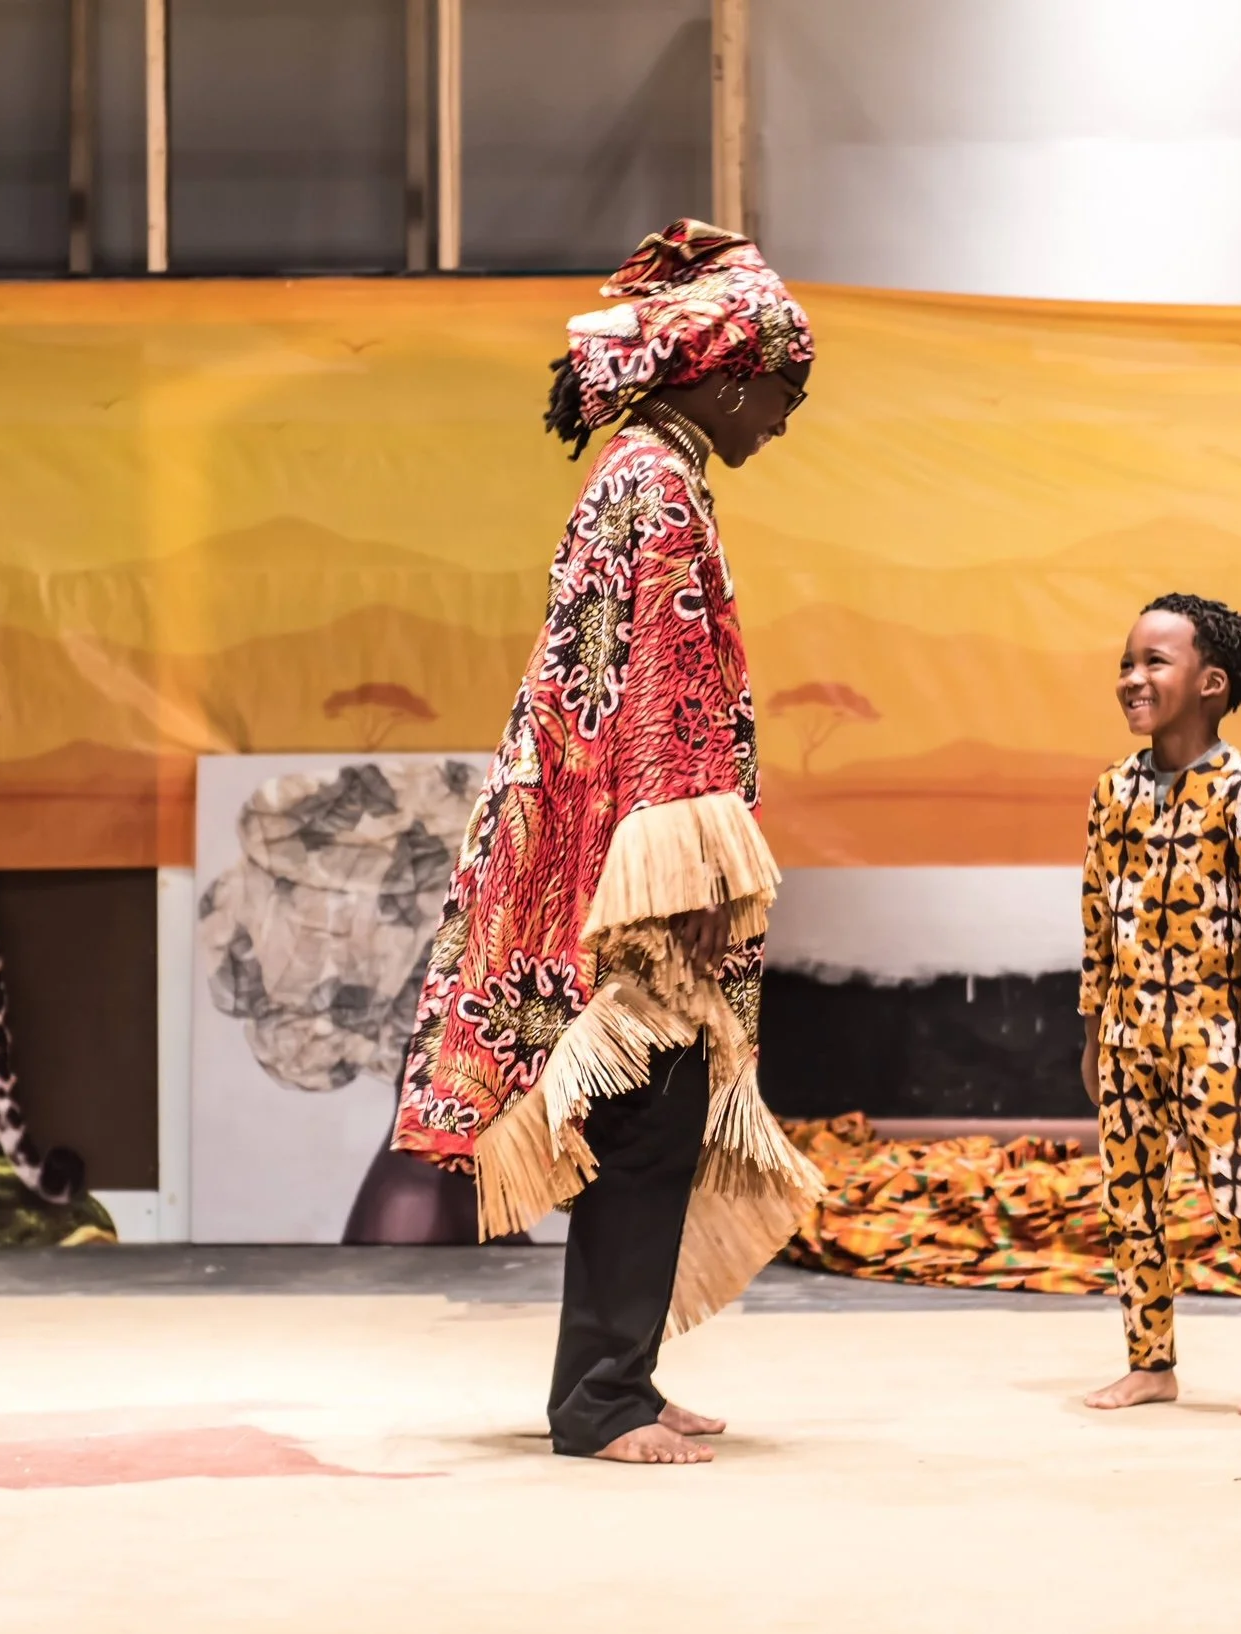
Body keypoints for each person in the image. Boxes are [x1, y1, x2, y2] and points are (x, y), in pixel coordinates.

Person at [390, 221, 823, 1466]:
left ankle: (619, 1371)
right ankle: (599, 1399)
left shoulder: (640, 471)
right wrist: (686, 885)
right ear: (728, 380)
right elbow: (664, 692)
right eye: (783, 396)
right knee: (648, 1120)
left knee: (654, 1117)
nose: (782, 422)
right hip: (635, 853)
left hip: (611, 835)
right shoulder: (659, 487)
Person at [1076, 592, 1241, 1418]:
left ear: (1211, 683)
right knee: (1129, 1204)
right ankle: (1150, 1363)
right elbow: (1096, 918)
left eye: (1155, 661)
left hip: (1210, 1040)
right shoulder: (1112, 791)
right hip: (1126, 1036)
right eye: (1126, 662)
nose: (1132, 677)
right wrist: (1093, 1033)